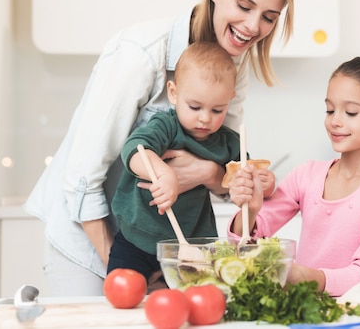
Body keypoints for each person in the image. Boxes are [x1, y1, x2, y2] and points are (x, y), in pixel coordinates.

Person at [23, 0, 295, 296]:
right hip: (90, 239)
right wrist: (118, 267)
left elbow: (221, 160)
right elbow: (81, 179)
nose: (252, 26)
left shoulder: (233, 64)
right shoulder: (141, 53)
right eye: (244, 6)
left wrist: (218, 174)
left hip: (162, 249)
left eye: (268, 17)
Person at [227, 56, 360, 297]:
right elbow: (241, 247)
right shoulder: (306, 175)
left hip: (353, 315)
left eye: (351, 112)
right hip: (301, 309)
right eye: (330, 110)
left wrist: (302, 277)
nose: (335, 121)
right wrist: (250, 210)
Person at [107, 42, 274, 282]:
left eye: (218, 110)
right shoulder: (167, 125)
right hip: (136, 238)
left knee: (192, 300)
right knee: (123, 297)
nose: (205, 118)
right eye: (194, 107)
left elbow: (243, 179)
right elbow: (134, 149)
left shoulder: (230, 143)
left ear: (230, 99)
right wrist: (165, 174)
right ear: (173, 93)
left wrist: (261, 182)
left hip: (193, 245)